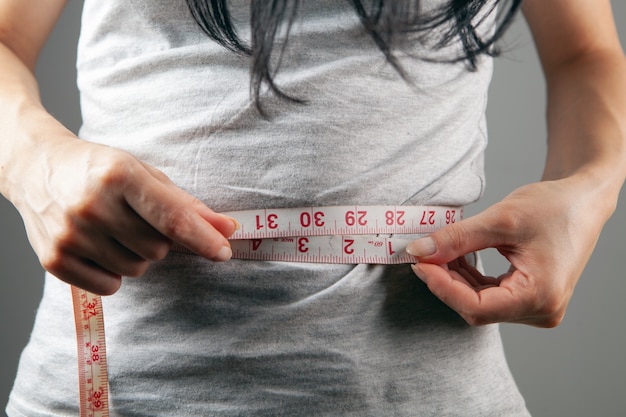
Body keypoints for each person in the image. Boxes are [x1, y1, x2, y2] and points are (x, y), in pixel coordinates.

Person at [1, 0, 624, 415]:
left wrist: (590, 186)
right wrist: (33, 159)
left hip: (433, 391)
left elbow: (586, 53)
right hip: (115, 387)